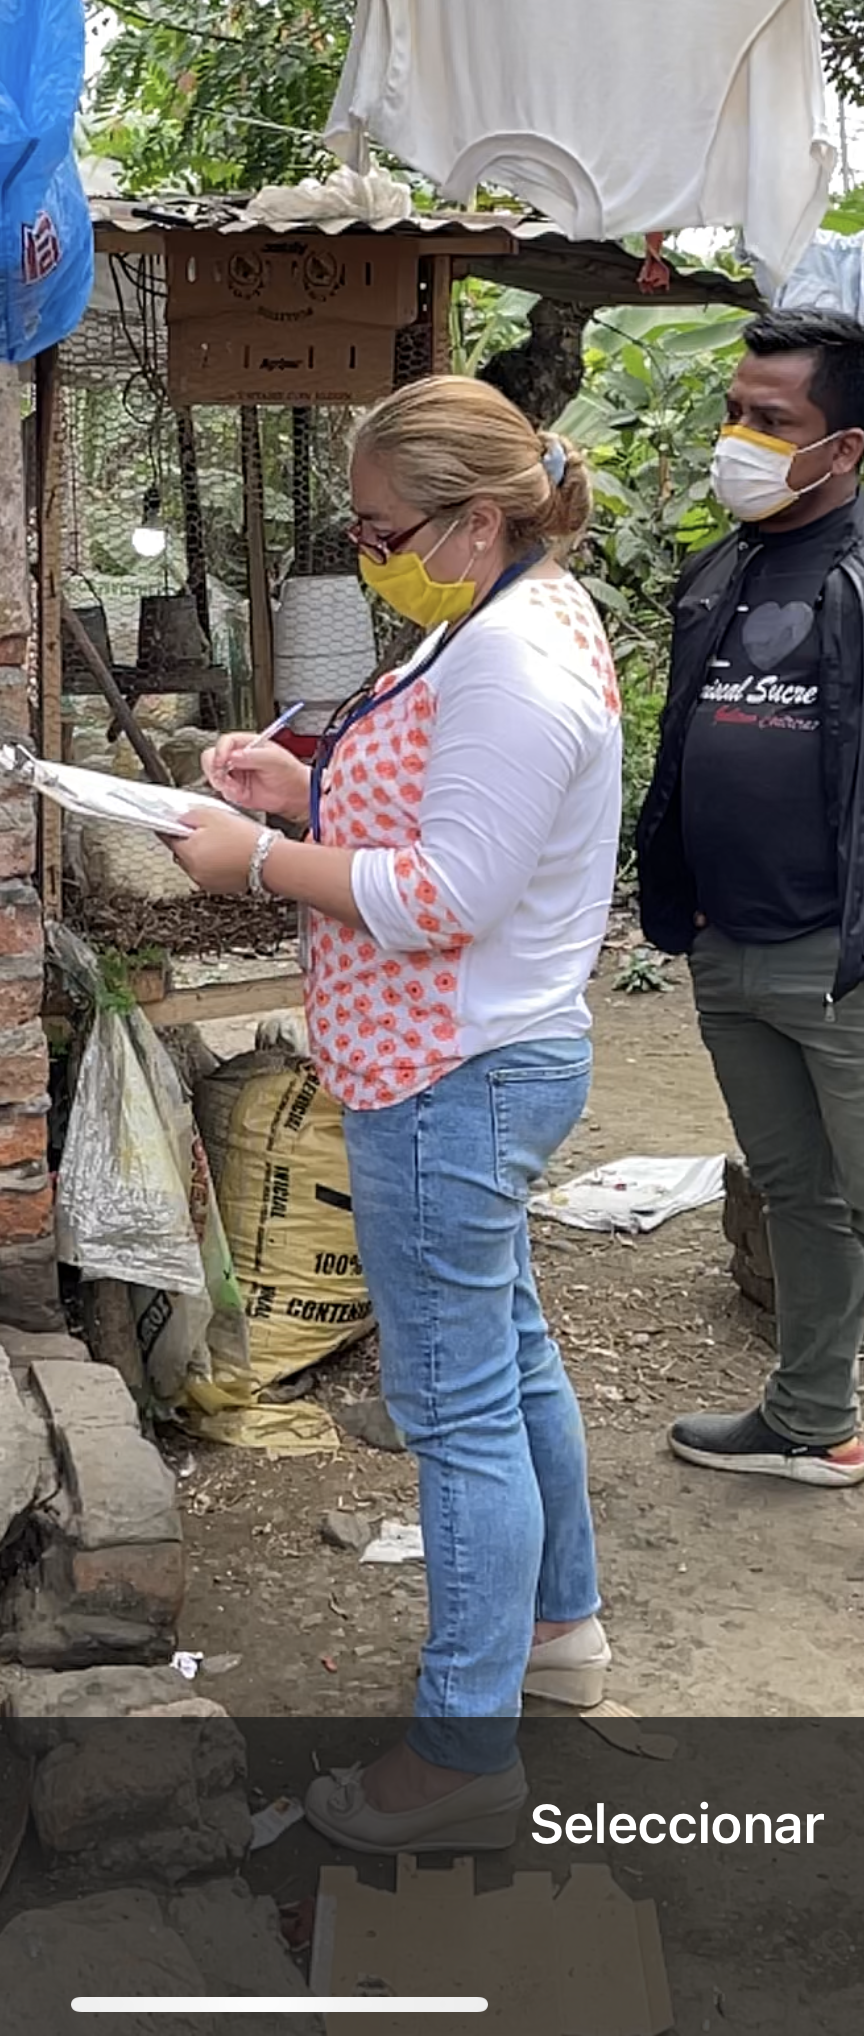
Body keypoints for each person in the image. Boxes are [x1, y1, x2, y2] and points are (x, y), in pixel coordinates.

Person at [174, 375, 622, 1851]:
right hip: (468, 1059)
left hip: (449, 1071)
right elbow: (442, 813)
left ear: (475, 519)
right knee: (508, 1356)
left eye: (380, 531)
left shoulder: (509, 661)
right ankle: (555, 1627)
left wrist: (253, 860)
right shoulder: (496, 613)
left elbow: (444, 893)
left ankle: (461, 1753)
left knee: (456, 1410)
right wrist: (303, 787)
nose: (366, 554)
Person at [638, 311, 864, 1487]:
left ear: (846, 446)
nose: (739, 438)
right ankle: (813, 1417)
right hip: (726, 944)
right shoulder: (720, 567)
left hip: (843, 957)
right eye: (734, 411)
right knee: (795, 1193)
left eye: (772, 421)